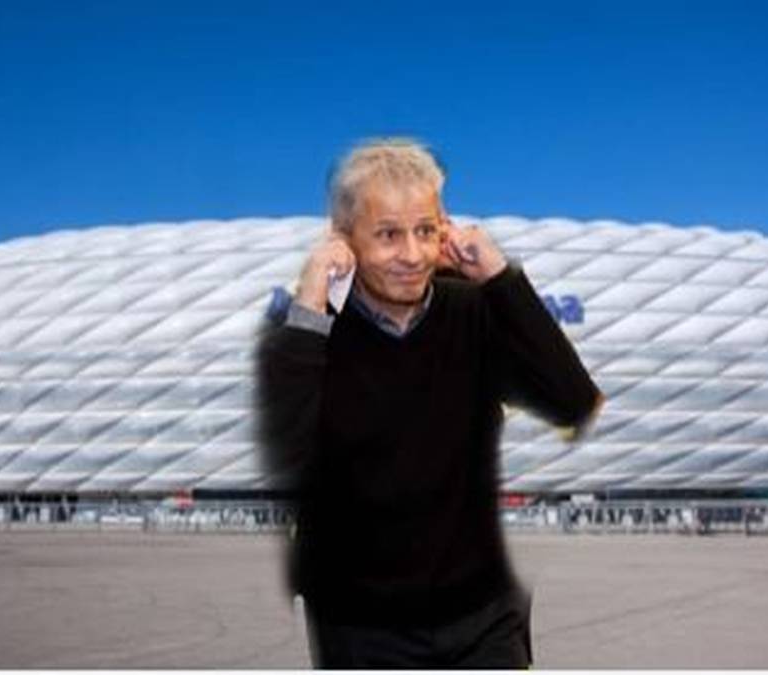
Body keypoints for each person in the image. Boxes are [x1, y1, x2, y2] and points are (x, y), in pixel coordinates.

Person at [256, 137, 604, 668]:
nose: (413, 255)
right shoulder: (312, 336)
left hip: (484, 617)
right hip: (362, 627)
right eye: (388, 235)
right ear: (342, 241)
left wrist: (499, 277)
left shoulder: (476, 312)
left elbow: (574, 401)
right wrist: (309, 305)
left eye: (425, 230)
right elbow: (290, 449)